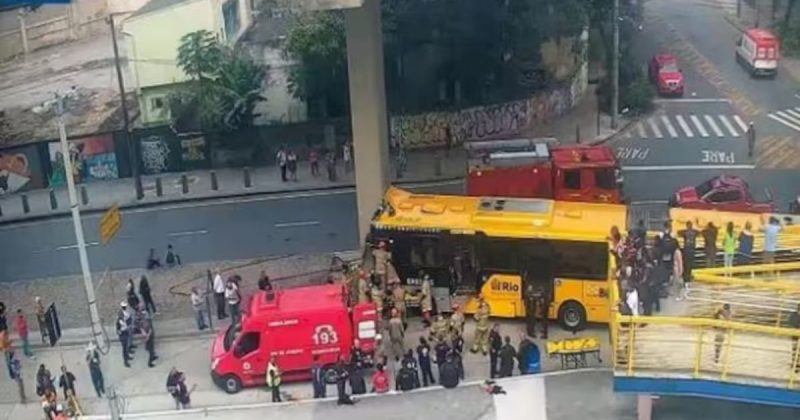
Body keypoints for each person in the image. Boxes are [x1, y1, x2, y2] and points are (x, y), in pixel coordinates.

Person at [116, 302, 132, 367]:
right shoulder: (118, 321)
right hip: (123, 335)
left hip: (126, 332)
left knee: (126, 346)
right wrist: (121, 331)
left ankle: (127, 356)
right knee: (124, 348)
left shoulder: (123, 320)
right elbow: (118, 330)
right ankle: (125, 361)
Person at [788, 304, 800, 373]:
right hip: (795, 335)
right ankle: (795, 365)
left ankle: (796, 365)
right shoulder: (793, 315)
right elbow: (792, 323)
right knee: (795, 350)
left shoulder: (793, 315)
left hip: (795, 334)